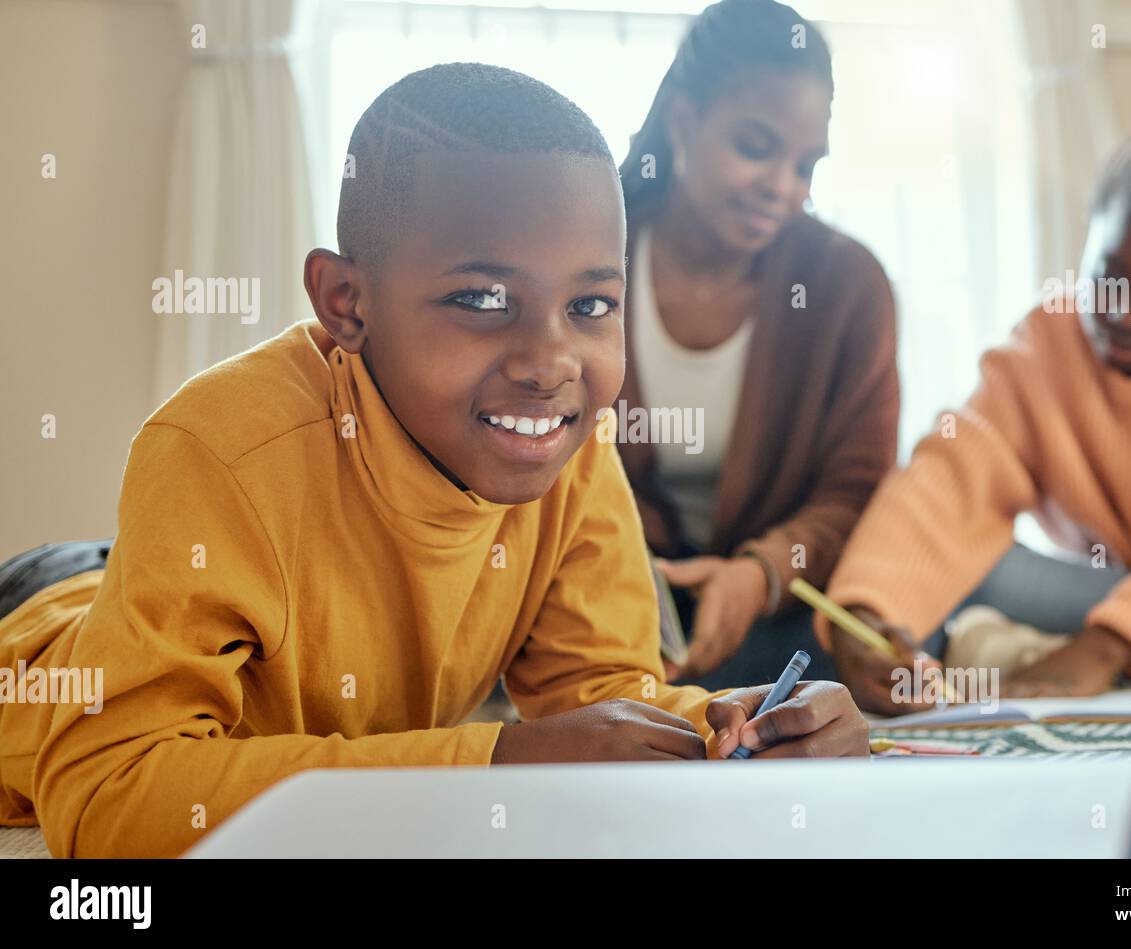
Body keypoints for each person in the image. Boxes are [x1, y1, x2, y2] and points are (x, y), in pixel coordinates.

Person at [0, 64, 869, 857]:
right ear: (345, 301)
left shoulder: (566, 444)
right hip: (47, 620)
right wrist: (495, 760)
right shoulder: (219, 448)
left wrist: (735, 727)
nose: (550, 361)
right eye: (482, 299)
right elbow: (109, 794)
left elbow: (593, 694)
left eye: (591, 303)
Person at [818, 82, 1131, 713]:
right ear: (1088, 236)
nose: (1128, 315)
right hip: (1103, 589)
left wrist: (1101, 648)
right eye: (1110, 278)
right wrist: (868, 612)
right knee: (961, 568)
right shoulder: (1045, 339)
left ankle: (1105, 658)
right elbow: (950, 477)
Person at [617, 0, 899, 689]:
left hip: (776, 613)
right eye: (755, 147)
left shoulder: (846, 285)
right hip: (607, 597)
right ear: (684, 121)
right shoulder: (590, 257)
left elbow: (854, 489)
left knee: (874, 645)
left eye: (806, 165)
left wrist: (761, 572)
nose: (782, 187)